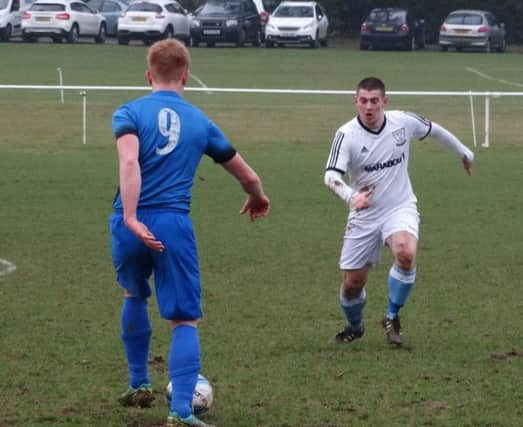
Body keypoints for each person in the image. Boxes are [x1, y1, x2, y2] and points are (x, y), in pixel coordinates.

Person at [110, 39, 270, 427]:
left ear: (149, 75)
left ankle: (138, 384)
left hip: (125, 222)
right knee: (184, 320)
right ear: (186, 75)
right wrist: (257, 197)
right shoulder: (201, 121)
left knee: (134, 292)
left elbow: (130, 161)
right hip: (171, 223)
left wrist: (131, 218)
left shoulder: (128, 112)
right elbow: (247, 174)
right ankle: (180, 412)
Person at [324, 77, 473, 346]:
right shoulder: (346, 135)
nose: (369, 107)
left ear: (384, 101)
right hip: (364, 214)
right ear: (355, 101)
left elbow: (435, 130)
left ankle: (392, 315)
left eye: (374, 101)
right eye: (363, 101)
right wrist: (351, 196)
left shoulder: (402, 122)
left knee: (405, 253)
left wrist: (464, 152)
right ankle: (355, 326)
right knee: (352, 285)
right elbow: (331, 175)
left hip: (399, 206)